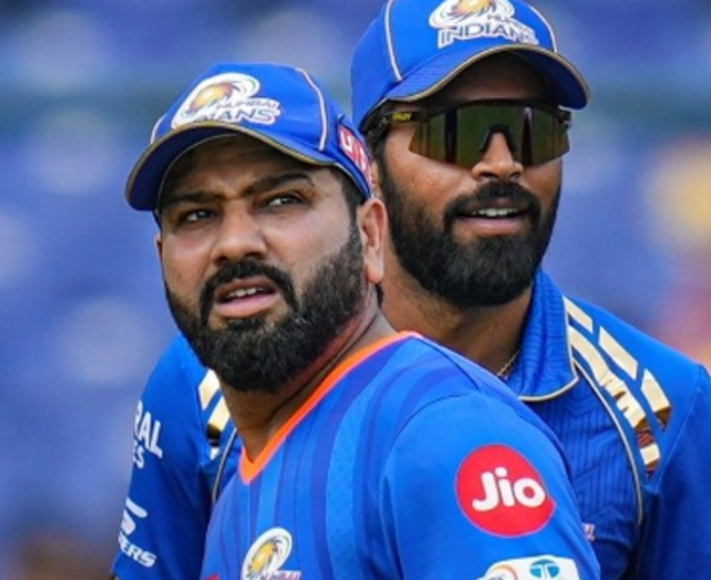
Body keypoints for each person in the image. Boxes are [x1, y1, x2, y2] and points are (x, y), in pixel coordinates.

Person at [112, 1, 711, 579]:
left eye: (535, 130)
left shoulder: (665, 407)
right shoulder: (213, 384)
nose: (502, 164)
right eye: (455, 132)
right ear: (367, 168)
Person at [119, 61, 601, 580]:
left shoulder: (447, 432)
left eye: (281, 201)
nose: (235, 243)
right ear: (162, 255)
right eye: (197, 214)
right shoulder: (242, 486)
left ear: (370, 236)